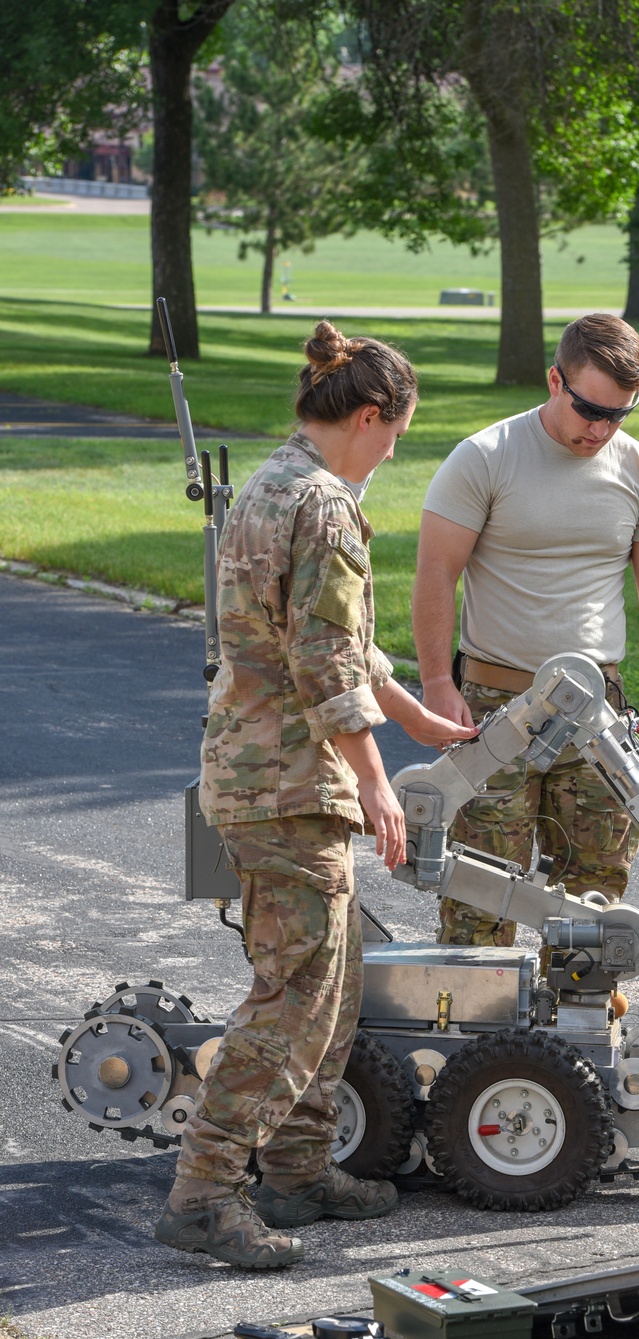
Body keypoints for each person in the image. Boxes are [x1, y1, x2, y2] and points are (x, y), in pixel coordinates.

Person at [155, 322, 475, 1270]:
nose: (392, 452)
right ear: (370, 416)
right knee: (295, 994)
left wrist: (413, 714)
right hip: (294, 784)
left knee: (331, 989)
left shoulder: (269, 485)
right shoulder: (328, 507)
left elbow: (337, 640)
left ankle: (298, 1172)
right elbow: (327, 662)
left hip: (260, 776)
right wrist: (377, 780)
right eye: (395, 435)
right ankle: (205, 1193)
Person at [412, 313, 639, 946]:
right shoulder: (486, 457)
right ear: (553, 380)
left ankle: (577, 1039)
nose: (601, 428)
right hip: (492, 709)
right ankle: (480, 1041)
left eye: (620, 413)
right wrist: (435, 680)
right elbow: (436, 574)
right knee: (482, 896)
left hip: (598, 715)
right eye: (589, 408)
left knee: (595, 906)